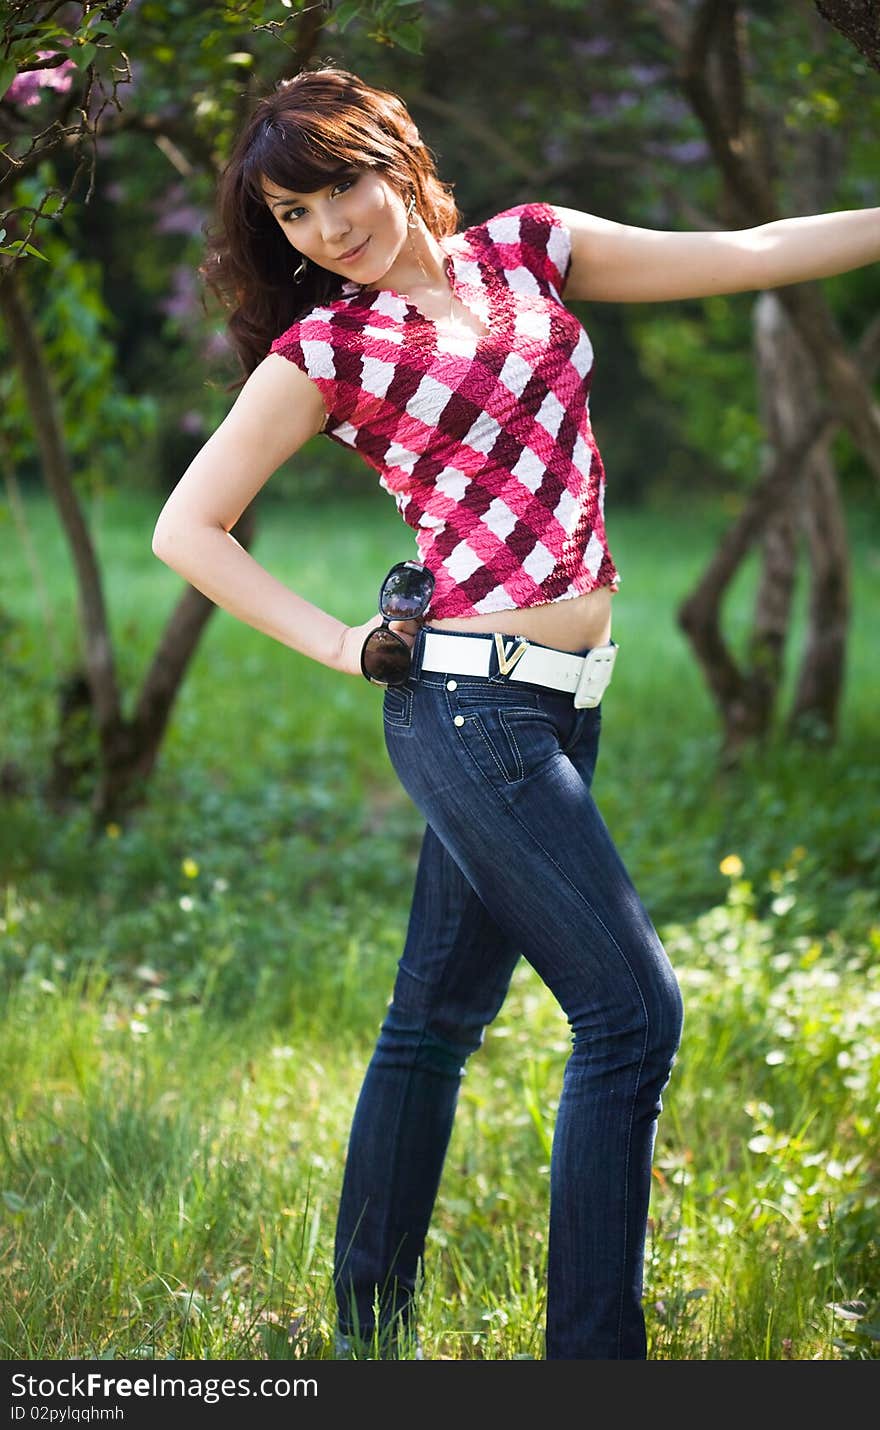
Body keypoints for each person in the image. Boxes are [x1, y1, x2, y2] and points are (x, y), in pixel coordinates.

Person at [151, 65, 880, 1361]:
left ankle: (367, 1335)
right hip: (469, 707)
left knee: (431, 1020)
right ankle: (595, 1362)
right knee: (632, 1013)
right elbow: (186, 526)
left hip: (561, 705)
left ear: (395, 154)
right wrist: (337, 641)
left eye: (340, 188)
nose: (329, 229)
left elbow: (751, 248)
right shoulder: (325, 349)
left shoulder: (530, 250)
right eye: (293, 215)